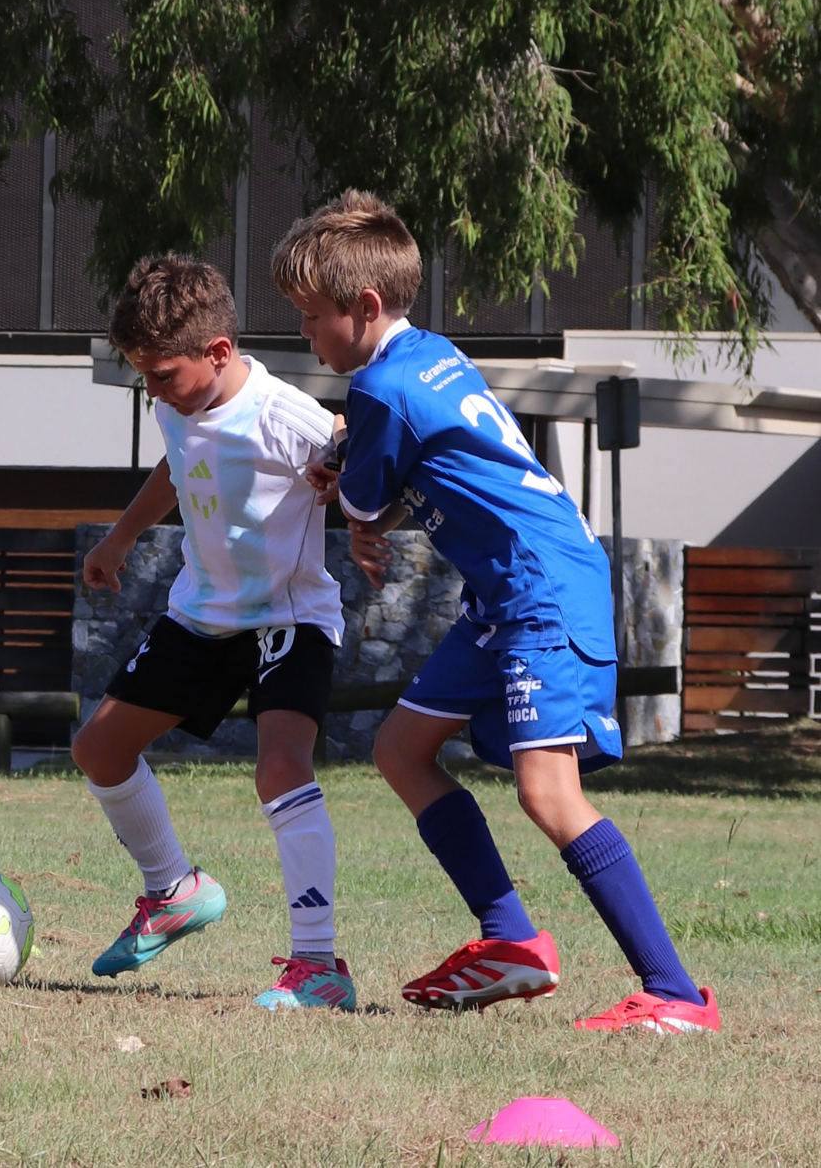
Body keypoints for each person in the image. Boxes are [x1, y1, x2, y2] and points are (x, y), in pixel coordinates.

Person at [270, 190, 718, 1034]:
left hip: (541, 590)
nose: (305, 333)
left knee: (548, 794)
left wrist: (354, 499)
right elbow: (427, 471)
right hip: (509, 592)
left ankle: (677, 995)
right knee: (402, 749)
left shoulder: (379, 396)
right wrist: (373, 505)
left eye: (310, 316)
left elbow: (364, 489)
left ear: (364, 308)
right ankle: (511, 937)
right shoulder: (431, 356)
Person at [71, 253, 355, 1011]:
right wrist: (120, 539)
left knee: (281, 767)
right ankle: (173, 890)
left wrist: (352, 486)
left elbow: (350, 447)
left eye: (161, 374)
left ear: (219, 353)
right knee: (97, 748)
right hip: (202, 616)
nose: (152, 390)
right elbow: (175, 466)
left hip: (289, 617)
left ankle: (319, 966)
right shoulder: (177, 403)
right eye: (144, 375)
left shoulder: (280, 412)